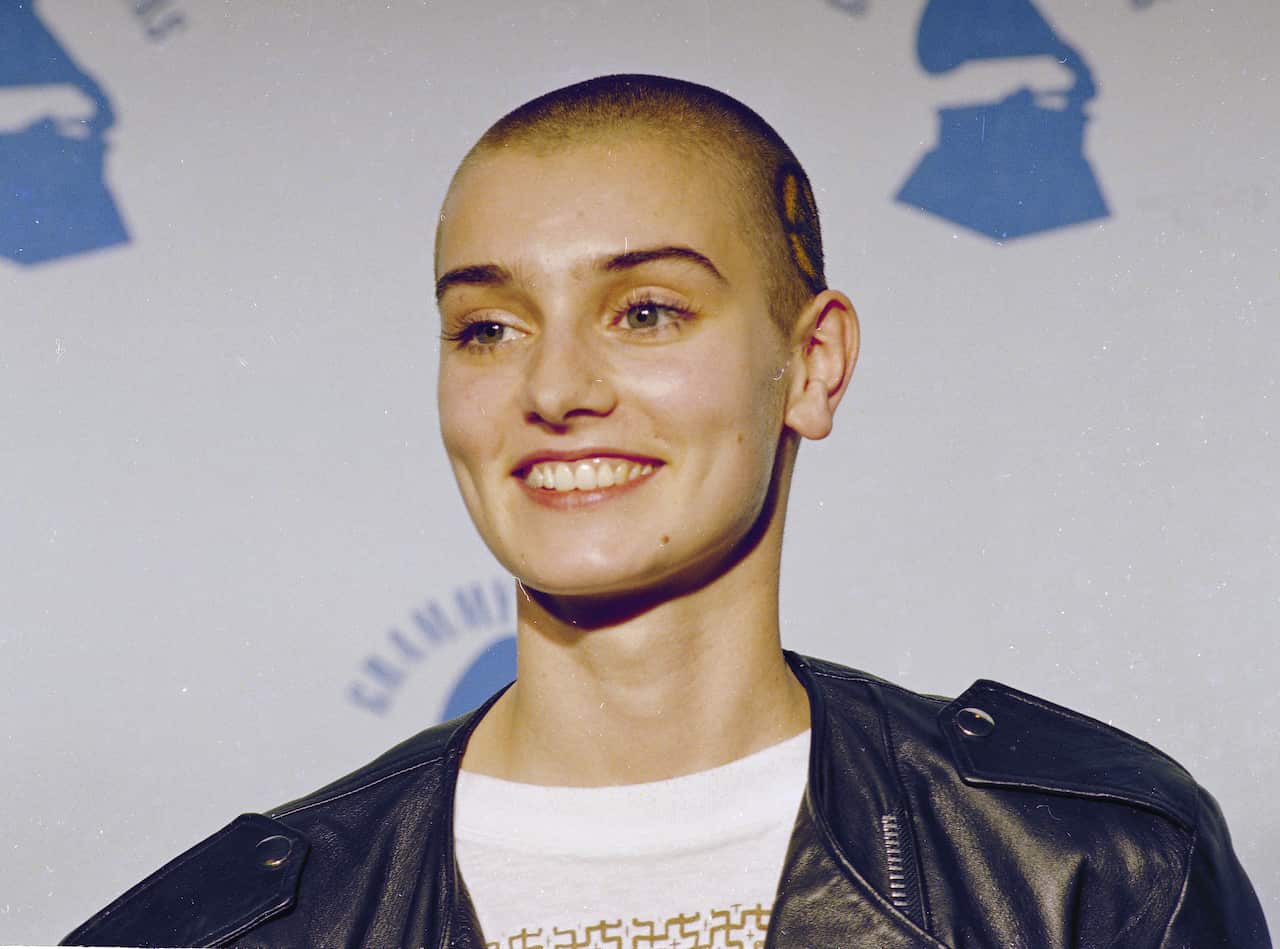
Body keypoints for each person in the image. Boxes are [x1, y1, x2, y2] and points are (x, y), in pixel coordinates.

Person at [64, 74, 1269, 948]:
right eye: (488, 326)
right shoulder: (229, 925)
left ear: (811, 365)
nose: (553, 389)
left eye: (646, 312)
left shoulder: (1088, 866)